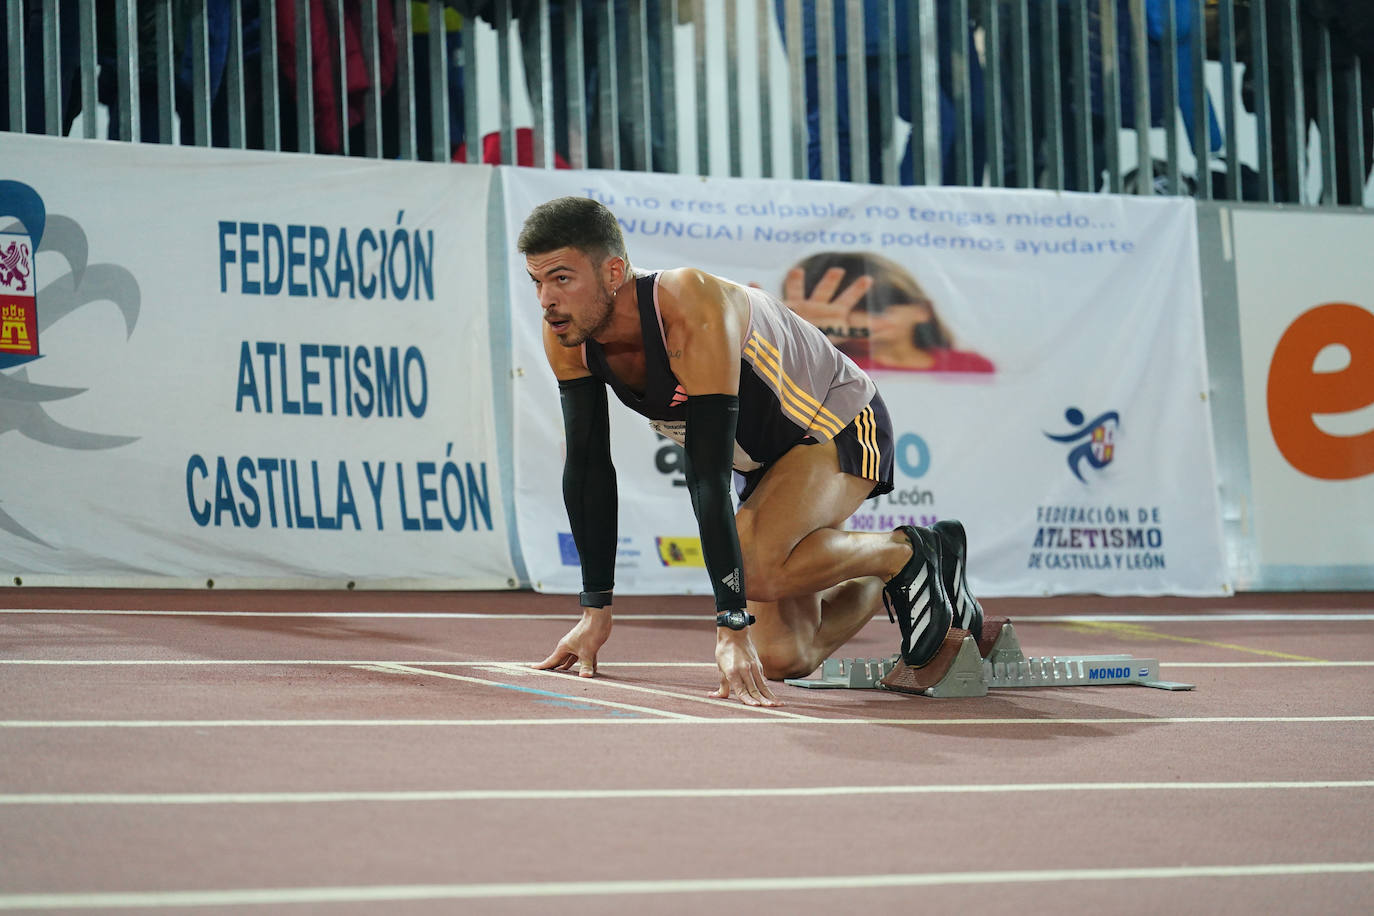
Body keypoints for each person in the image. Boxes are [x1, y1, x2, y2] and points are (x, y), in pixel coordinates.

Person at [517, 196, 984, 707]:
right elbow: (587, 469)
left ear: (613, 271)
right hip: (767, 462)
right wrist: (594, 613)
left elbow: (707, 476)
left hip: (839, 423)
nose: (546, 299)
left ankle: (908, 551)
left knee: (753, 564)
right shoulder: (569, 335)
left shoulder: (686, 301)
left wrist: (731, 629)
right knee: (787, 658)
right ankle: (882, 566)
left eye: (562, 279)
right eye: (537, 281)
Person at [779, 251, 995, 373]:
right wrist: (807, 342)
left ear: (923, 310)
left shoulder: (972, 367)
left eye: (878, 310)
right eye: (842, 311)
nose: (859, 322)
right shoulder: (828, 370)